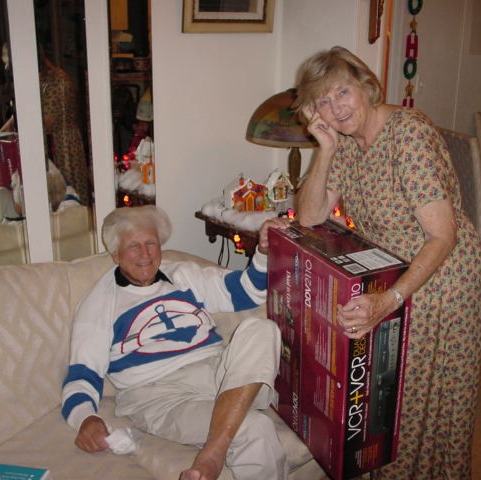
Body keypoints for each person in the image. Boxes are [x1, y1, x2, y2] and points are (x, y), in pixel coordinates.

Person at [293, 46, 481, 479]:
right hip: (391, 271)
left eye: (342, 92)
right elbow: (309, 216)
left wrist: (390, 300)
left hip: (439, 275)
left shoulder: (407, 134)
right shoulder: (345, 141)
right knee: (386, 389)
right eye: (323, 101)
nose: (336, 108)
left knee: (409, 394)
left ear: (365, 86)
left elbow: (443, 236)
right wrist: (324, 148)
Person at [61, 205, 291, 480]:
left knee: (261, 328)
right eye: (133, 246)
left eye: (151, 243)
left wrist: (263, 252)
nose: (145, 253)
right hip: (159, 395)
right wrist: (85, 418)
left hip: (217, 373)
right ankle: (217, 450)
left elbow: (246, 292)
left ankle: (213, 451)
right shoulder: (100, 302)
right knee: (256, 429)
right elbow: (83, 374)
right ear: (115, 255)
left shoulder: (182, 275)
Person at [38, 44, 91, 205]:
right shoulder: (40, 78)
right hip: (55, 142)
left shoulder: (57, 79)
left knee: (68, 196)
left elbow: (49, 121)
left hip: (63, 144)